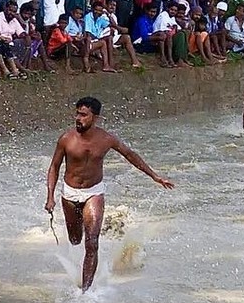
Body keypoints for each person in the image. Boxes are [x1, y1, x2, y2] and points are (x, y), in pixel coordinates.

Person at [44, 96, 174, 292]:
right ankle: (80, 265)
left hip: (93, 192)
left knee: (92, 241)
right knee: (75, 239)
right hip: (69, 193)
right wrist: (50, 197)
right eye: (77, 114)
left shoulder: (106, 139)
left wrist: (155, 176)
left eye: (83, 115)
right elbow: (54, 167)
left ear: (95, 117)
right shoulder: (66, 139)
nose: (78, 118)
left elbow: (130, 155)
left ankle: (85, 292)